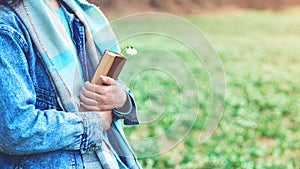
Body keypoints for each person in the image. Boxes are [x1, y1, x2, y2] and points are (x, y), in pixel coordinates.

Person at [0, 0, 141, 168]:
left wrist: (121, 100)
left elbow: (102, 82)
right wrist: (92, 125)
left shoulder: (76, 11)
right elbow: (15, 129)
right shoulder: (7, 25)